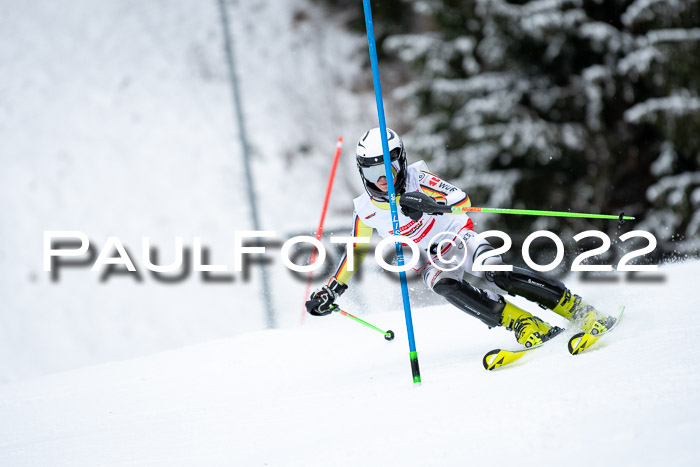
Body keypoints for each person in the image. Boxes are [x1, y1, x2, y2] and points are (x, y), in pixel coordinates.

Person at [305, 127, 615, 348]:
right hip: (431, 258)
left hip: (457, 237)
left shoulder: (417, 177)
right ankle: (523, 323)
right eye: (374, 174)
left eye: (390, 168)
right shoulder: (365, 210)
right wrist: (331, 291)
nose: (384, 180)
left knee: (495, 274)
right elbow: (355, 254)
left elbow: (459, 198)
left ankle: (577, 309)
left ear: (401, 161)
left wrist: (427, 202)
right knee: (442, 284)